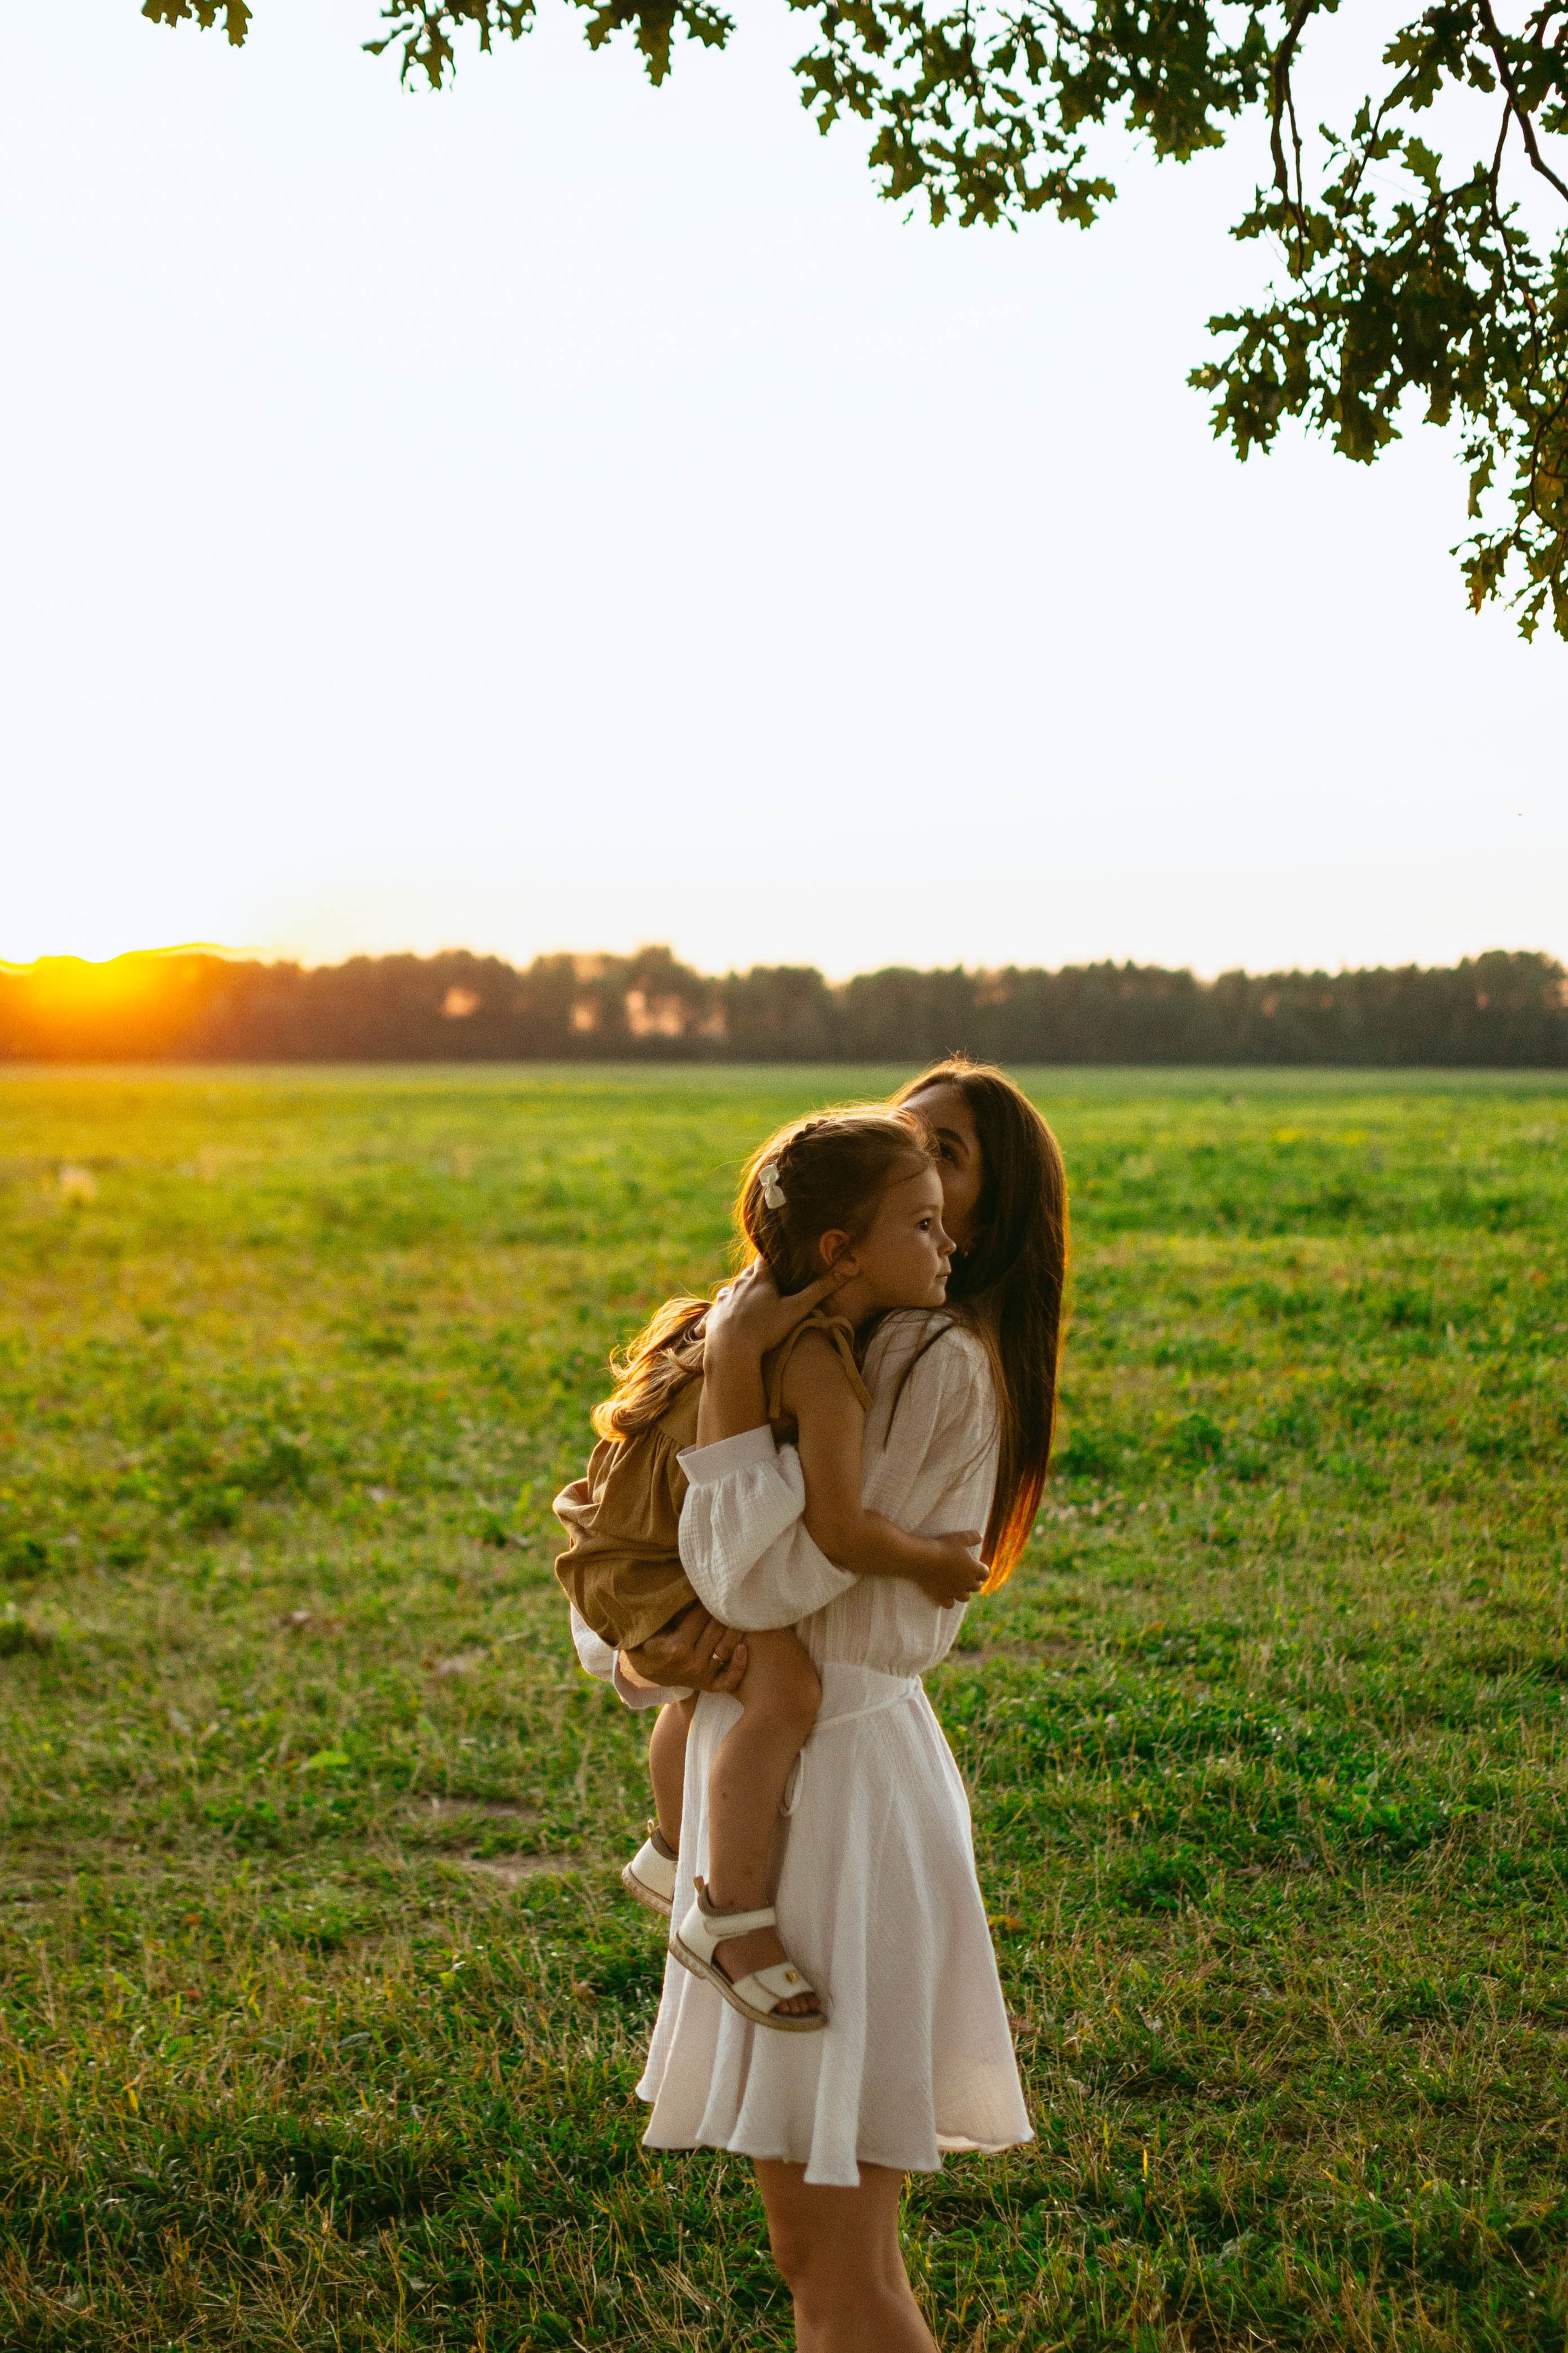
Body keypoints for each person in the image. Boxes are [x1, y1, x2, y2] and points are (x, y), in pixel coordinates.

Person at [578, 1057, 1070, 2353]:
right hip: (802, 1774)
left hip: (835, 1799)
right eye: (897, 1153)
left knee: (836, 2263)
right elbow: (659, 1541)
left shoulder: (930, 1365)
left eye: (945, 1163)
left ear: (987, 1216)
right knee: (818, 2253)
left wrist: (739, 1372)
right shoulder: (832, 1342)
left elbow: (752, 1574)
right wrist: (649, 1641)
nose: (918, 1188)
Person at [555, 1108, 990, 2026]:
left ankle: (672, 1846)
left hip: (618, 1554)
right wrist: (934, 1560)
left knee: (706, 1688)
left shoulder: (717, 1315)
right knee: (783, 1685)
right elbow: (840, 1532)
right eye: (921, 1224)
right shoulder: (818, 1364)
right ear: (843, 1252)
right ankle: (730, 1913)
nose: (945, 1239)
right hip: (663, 1571)